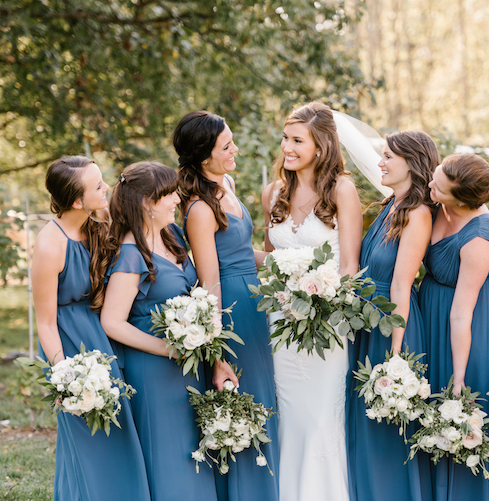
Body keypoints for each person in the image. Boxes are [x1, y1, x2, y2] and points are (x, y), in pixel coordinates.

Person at [174, 111, 279, 501]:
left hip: (254, 301)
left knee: (264, 398)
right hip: (230, 310)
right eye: (226, 145)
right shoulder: (200, 209)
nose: (235, 149)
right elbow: (210, 279)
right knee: (244, 400)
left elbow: (240, 252)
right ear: (204, 158)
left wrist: (291, 263)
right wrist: (217, 354)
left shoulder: (229, 184)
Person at [31, 156, 150, 500]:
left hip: (101, 341)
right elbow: (45, 322)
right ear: (77, 201)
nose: (107, 188)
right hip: (70, 349)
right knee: (91, 443)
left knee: (120, 435)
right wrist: (66, 378)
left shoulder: (99, 221)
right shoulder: (49, 245)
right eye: (98, 185)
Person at [261, 102, 363, 501]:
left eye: (297, 140)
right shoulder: (273, 193)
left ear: (320, 146)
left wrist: (323, 308)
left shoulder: (342, 190)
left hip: (326, 325)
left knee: (321, 418)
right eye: (285, 138)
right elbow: (271, 260)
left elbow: (350, 266)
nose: (287, 146)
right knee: (288, 414)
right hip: (281, 323)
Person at [100, 161, 217, 500]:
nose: (177, 200)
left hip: (186, 368)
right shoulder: (130, 255)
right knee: (167, 460)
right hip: (154, 371)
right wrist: (169, 349)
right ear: (147, 203)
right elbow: (112, 322)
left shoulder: (171, 235)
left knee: (192, 456)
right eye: (168, 195)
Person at [346, 130, 436, 501]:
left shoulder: (418, 214)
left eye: (388, 157)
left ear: (412, 163)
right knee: (363, 423)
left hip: (392, 324)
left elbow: (402, 283)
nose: (379, 163)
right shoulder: (389, 206)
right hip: (367, 319)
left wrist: (396, 355)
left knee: (386, 428)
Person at [418, 154, 489, 500]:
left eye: (437, 186)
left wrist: (459, 376)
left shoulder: (480, 237)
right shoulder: (439, 202)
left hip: (467, 328)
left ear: (462, 200)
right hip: (431, 313)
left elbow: (461, 314)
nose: (430, 186)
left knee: (459, 414)